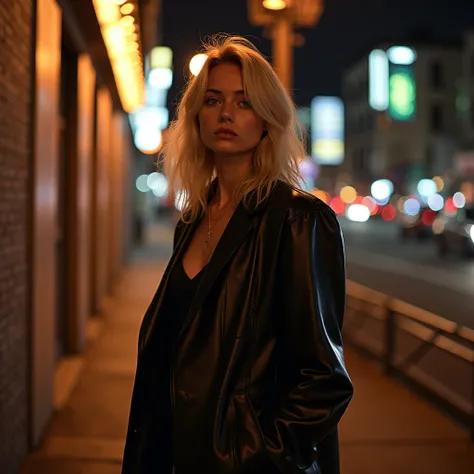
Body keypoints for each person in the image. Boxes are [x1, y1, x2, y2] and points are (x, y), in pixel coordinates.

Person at [122, 35, 353, 474]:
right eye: (213, 100)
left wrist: (259, 457)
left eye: (244, 103)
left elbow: (323, 379)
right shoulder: (192, 221)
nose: (226, 113)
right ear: (196, 118)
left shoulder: (298, 221)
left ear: (267, 119)